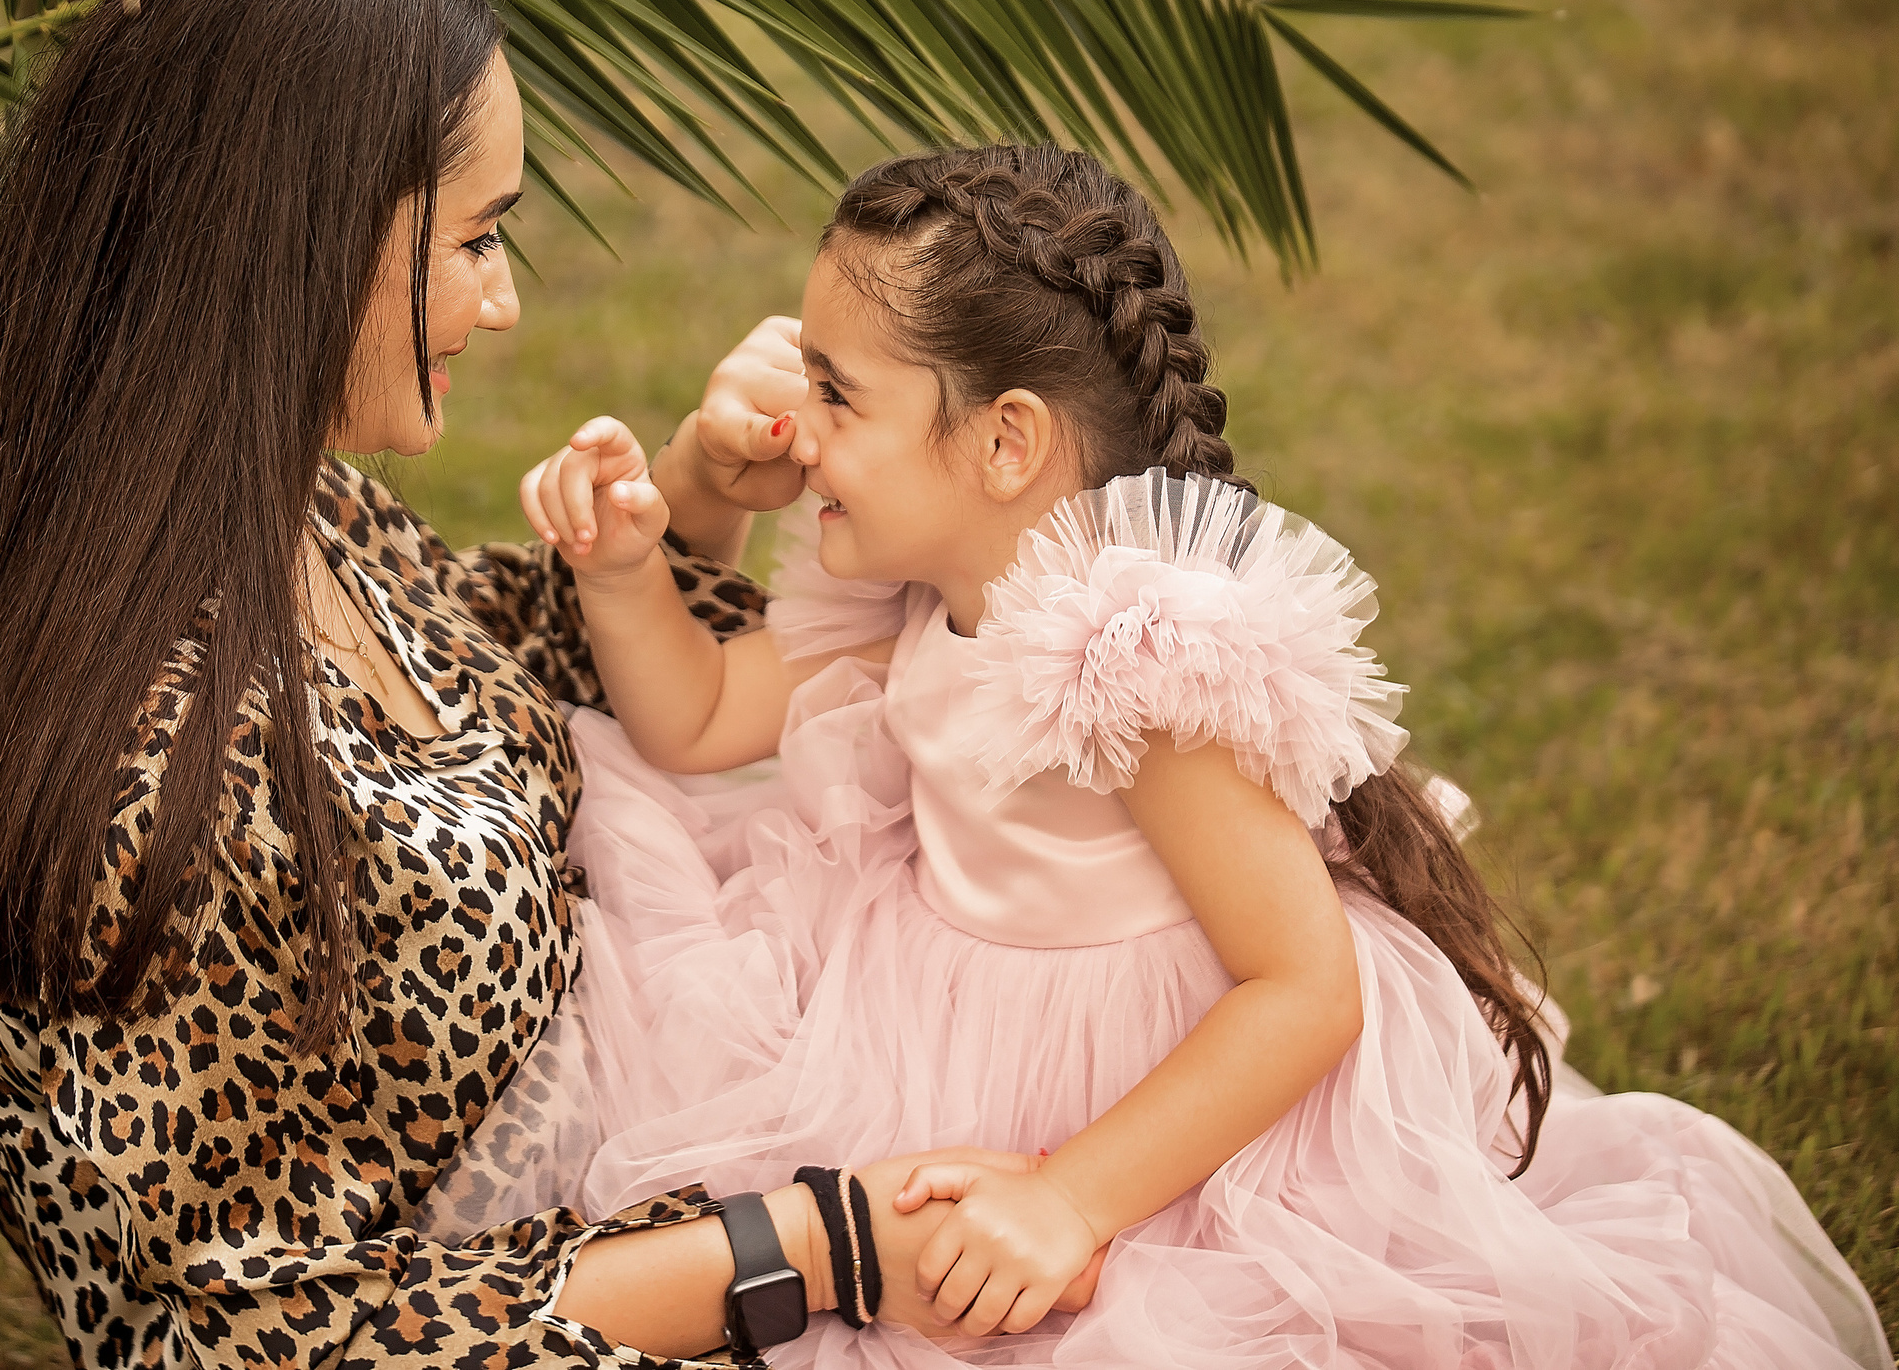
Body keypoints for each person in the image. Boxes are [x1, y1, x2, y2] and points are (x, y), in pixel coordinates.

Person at [0, 0, 1032, 1370]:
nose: (505, 303)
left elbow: (495, 678)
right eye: (475, 242)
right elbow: (259, 1341)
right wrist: (809, 1251)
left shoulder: (259, 509)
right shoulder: (155, 771)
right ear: (301, 242)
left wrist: (692, 496)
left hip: (641, 1176)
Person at [516, 144, 1894, 1369]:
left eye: (836, 393)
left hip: (1155, 1087)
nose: (794, 429)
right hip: (915, 999)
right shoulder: (915, 599)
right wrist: (624, 571)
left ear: (1005, 443)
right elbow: (694, 724)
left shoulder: (1140, 660)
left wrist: (1072, 1196)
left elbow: (1304, 985)